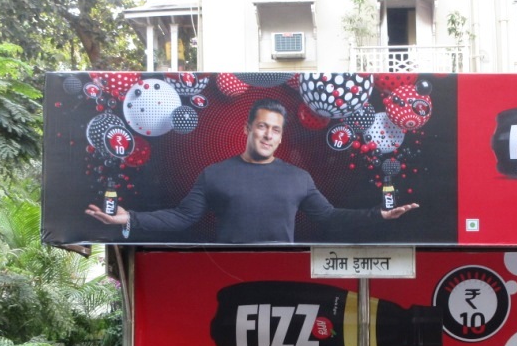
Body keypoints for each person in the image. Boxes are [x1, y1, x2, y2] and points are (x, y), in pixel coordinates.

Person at [85, 98, 418, 243]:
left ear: (281, 137)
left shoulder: (298, 178)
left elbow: (330, 218)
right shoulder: (214, 174)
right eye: (262, 127)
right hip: (228, 271)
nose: (268, 135)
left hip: (282, 272)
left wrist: (379, 215)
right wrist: (130, 219)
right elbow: (182, 218)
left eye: (275, 130)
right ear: (247, 129)